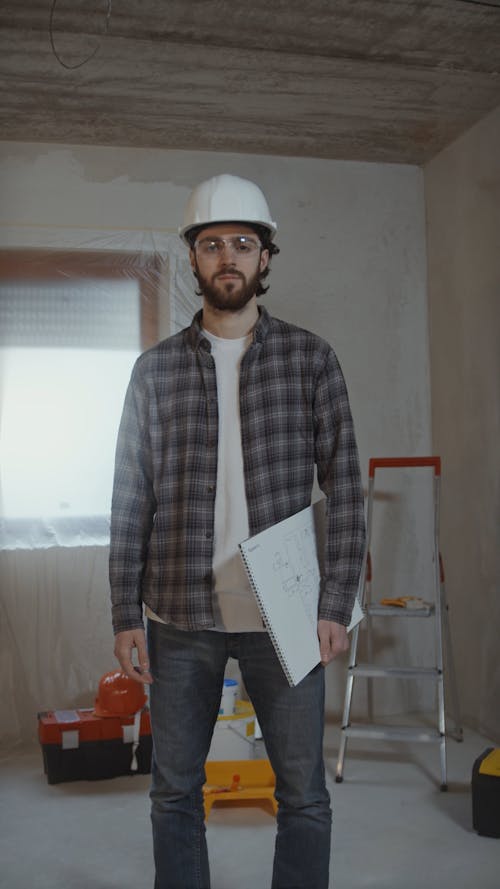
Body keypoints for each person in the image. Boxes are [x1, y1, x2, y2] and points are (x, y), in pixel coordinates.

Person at [109, 173, 366, 889]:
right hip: (179, 615)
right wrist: (122, 611)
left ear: (265, 259)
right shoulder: (153, 373)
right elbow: (130, 496)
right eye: (213, 243)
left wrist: (334, 601)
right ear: (193, 258)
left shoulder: (311, 360)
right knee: (173, 793)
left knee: (305, 796)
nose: (228, 256)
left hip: (284, 612)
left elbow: (345, 484)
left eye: (243, 243)